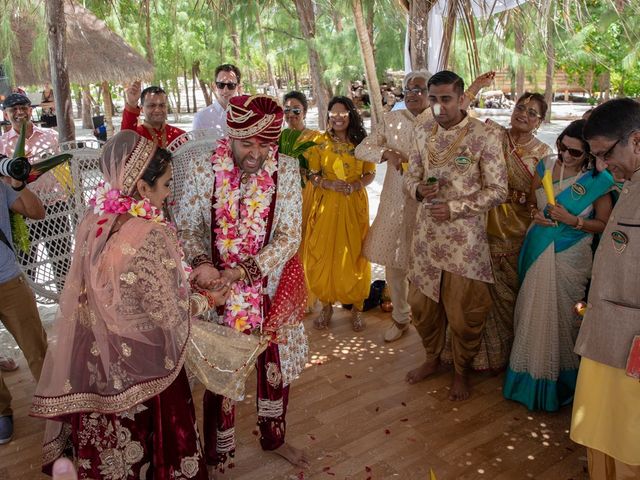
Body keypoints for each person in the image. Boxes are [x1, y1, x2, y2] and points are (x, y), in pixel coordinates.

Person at [30, 130, 228, 478]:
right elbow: (168, 314)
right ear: (141, 189)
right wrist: (208, 299)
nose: (168, 195)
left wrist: (180, 279)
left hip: (93, 353)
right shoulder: (151, 233)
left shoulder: (94, 221)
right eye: (166, 185)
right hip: (143, 359)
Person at [176, 94, 308, 474]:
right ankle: (218, 454)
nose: (255, 153)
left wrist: (245, 271)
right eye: (247, 143)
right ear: (230, 136)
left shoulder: (286, 167)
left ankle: (275, 437)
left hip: (270, 287)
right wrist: (202, 265)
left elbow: (288, 236)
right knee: (223, 374)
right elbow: (188, 226)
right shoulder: (205, 167)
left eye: (264, 144)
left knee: (275, 368)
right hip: (218, 292)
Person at [404, 70, 507, 401]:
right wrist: (418, 190)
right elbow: (411, 175)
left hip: (464, 243)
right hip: (426, 238)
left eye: (445, 99)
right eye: (433, 99)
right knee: (421, 308)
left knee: (464, 315)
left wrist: (456, 208)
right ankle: (432, 359)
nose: (438, 106)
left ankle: (462, 371)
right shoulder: (422, 131)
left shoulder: (484, 136)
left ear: (462, 98)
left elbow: (498, 190)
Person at [503, 120, 614, 412]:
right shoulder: (544, 167)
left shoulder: (598, 182)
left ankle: (561, 384)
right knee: (531, 311)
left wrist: (573, 221)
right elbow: (530, 202)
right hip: (538, 246)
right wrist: (536, 215)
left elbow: (604, 224)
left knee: (564, 320)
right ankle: (526, 381)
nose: (565, 156)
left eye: (574, 153)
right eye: (562, 147)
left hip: (572, 254)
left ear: (589, 155)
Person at [570, 98, 640, 478]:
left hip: (632, 351)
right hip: (608, 338)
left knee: (629, 444)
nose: (600, 166)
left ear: (637, 141)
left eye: (604, 154)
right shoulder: (629, 185)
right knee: (603, 439)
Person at [465, 93, 552, 371]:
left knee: (508, 293)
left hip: (517, 227)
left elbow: (540, 196)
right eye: (520, 107)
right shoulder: (494, 134)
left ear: (539, 121)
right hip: (481, 221)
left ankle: (506, 356)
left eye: (532, 112)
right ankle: (476, 355)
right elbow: (460, 118)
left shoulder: (543, 153)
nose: (523, 114)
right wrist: (476, 87)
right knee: (479, 291)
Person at [354, 70, 430, 341]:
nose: (413, 95)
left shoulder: (441, 121)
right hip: (396, 200)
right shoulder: (393, 120)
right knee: (396, 262)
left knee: (426, 262)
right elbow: (361, 150)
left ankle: (429, 322)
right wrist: (387, 153)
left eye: (420, 89)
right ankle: (400, 318)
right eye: (409, 90)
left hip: (429, 202)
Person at [304, 96, 375, 331]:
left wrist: (355, 185)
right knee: (325, 253)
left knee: (355, 254)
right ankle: (326, 306)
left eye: (342, 113)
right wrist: (327, 184)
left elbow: (370, 173)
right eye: (333, 113)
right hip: (327, 204)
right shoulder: (319, 143)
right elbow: (311, 174)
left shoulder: (362, 144)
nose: (337, 117)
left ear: (350, 116)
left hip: (353, 205)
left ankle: (356, 308)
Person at [0, 92, 72, 292]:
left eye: (23, 108)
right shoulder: (2, 144)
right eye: (13, 109)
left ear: (31, 110)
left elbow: (66, 166)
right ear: (6, 115)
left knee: (63, 261)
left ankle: (66, 307)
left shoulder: (51, 136)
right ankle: (29, 303)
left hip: (54, 205)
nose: (19, 112)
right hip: (22, 211)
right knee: (26, 265)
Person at [0, 166, 47, 446]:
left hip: (8, 279)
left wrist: (17, 185)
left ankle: (54, 399)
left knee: (35, 345)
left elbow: (36, 212)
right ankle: (2, 411)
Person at [121, 81, 185, 148]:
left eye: (162, 105)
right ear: (141, 108)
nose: (157, 110)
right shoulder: (136, 136)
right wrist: (131, 104)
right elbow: (124, 141)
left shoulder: (180, 136)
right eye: (152, 105)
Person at [192, 64, 241, 137]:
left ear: (238, 87)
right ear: (214, 86)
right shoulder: (201, 118)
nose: (225, 90)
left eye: (231, 85)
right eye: (221, 85)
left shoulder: (248, 116)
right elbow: (195, 147)